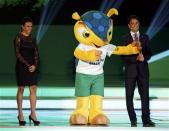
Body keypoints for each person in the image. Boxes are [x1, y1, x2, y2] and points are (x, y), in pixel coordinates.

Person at [121, 15, 155, 127]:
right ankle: (133, 120)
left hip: (143, 71)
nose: (134, 25)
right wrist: (135, 58)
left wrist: (144, 58)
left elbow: (149, 53)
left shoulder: (145, 37)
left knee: (145, 95)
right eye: (132, 23)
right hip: (130, 71)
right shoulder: (125, 38)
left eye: (136, 23)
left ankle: (146, 120)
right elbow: (123, 56)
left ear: (138, 24)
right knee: (129, 95)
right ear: (129, 25)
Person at [14, 17, 40, 126]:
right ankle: (20, 114)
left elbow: (36, 53)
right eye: (28, 26)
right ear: (22, 26)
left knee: (33, 88)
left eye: (31, 26)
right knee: (21, 88)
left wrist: (34, 65)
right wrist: (28, 65)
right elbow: (17, 54)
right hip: (22, 66)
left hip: (32, 67)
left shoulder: (33, 38)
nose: (30, 28)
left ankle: (33, 114)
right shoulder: (18, 38)